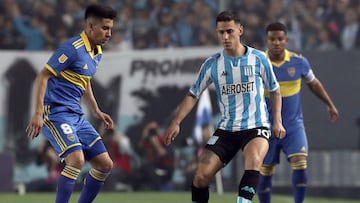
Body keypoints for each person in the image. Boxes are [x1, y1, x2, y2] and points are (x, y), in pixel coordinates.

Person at [163, 10, 285, 203]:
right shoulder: (212, 64)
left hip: (257, 127)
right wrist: (176, 121)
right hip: (226, 130)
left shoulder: (259, 59)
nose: (225, 37)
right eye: (221, 32)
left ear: (240, 30)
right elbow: (193, 94)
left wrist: (277, 121)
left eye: (230, 31)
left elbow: (275, 91)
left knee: (253, 161)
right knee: (201, 177)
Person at [25, 4, 117, 203]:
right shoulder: (72, 48)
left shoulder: (97, 51)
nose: (109, 33)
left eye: (110, 28)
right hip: (56, 113)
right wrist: (38, 113)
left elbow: (84, 81)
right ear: (90, 27)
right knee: (76, 160)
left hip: (76, 116)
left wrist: (96, 110)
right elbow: (43, 76)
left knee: (105, 164)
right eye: (105, 28)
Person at [257, 22, 339, 203]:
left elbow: (314, 84)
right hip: (266, 127)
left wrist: (330, 105)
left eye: (280, 39)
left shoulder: (298, 62)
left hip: (293, 126)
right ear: (267, 41)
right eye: (272, 39)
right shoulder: (257, 63)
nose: (276, 43)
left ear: (286, 40)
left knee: (300, 163)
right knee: (265, 171)